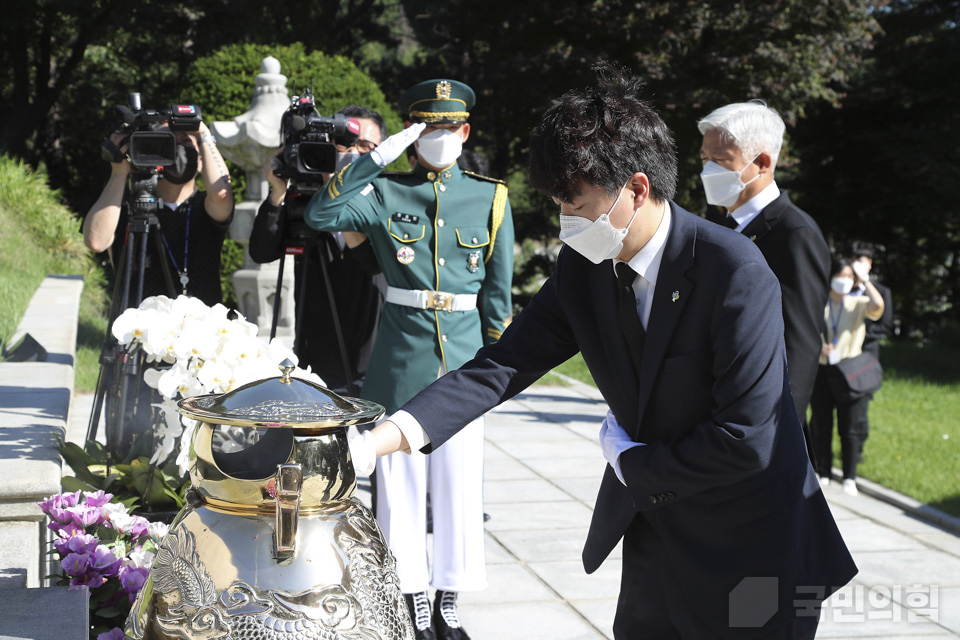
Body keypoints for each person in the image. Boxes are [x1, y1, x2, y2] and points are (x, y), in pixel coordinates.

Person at [350, 63, 856, 639]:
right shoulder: (585, 266)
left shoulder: (733, 271)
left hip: (752, 546)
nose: (568, 222)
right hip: (656, 538)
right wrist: (377, 443)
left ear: (636, 190)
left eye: (578, 204)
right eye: (558, 205)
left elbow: (748, 438)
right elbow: (502, 365)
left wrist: (628, 459)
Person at [305, 80, 514, 640]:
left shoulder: (490, 196)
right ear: (413, 135)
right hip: (400, 358)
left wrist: (501, 369)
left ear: (465, 132)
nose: (440, 139)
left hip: (466, 361)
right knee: (398, 485)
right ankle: (411, 597)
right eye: (428, 129)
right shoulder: (387, 194)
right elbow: (323, 216)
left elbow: (498, 297)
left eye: (449, 129)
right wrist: (374, 159)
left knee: (459, 484)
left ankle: (447, 601)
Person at [697, 101, 830, 465]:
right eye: (704, 158)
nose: (707, 169)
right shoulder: (722, 227)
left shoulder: (794, 232)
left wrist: (780, 425)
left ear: (762, 163)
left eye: (720, 159)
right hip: (715, 413)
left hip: (761, 426)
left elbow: (801, 339)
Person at [250, 105, 388, 393]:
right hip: (316, 362)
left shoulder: (388, 199)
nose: (352, 153)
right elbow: (261, 253)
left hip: (375, 359)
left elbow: (371, 262)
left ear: (381, 151)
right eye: (344, 144)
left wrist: (335, 196)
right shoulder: (306, 200)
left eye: (365, 146)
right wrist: (277, 194)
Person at [83, 119, 235, 307]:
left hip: (200, 327)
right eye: (168, 142)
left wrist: (202, 133)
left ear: (201, 161)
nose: (178, 147)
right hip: (139, 329)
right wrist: (119, 172)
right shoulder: (130, 206)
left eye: (187, 142)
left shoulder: (205, 206)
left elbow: (222, 195)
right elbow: (96, 241)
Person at [809, 257, 885, 496]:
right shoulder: (818, 302)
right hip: (821, 370)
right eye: (841, 276)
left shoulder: (857, 303)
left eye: (849, 277)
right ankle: (824, 471)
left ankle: (849, 476)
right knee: (821, 424)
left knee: (850, 427)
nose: (845, 281)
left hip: (850, 372)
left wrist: (864, 280)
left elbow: (877, 306)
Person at [849, 240, 894, 466]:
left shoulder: (882, 292)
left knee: (860, 409)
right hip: (837, 356)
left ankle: (856, 454)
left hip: (864, 357)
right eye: (854, 259)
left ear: (870, 264)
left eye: (862, 260)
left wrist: (856, 334)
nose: (857, 264)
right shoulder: (842, 287)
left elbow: (884, 325)